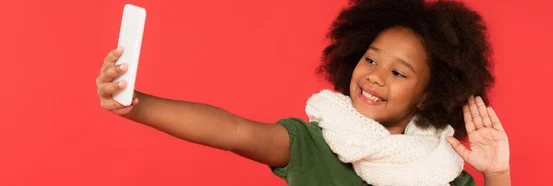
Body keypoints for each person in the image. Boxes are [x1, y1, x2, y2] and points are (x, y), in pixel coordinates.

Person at [95, 0, 510, 185]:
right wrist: (137, 105)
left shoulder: (438, 166)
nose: (375, 77)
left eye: (399, 72)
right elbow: (234, 131)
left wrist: (496, 174)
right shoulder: (317, 143)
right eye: (370, 59)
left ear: (428, 94)